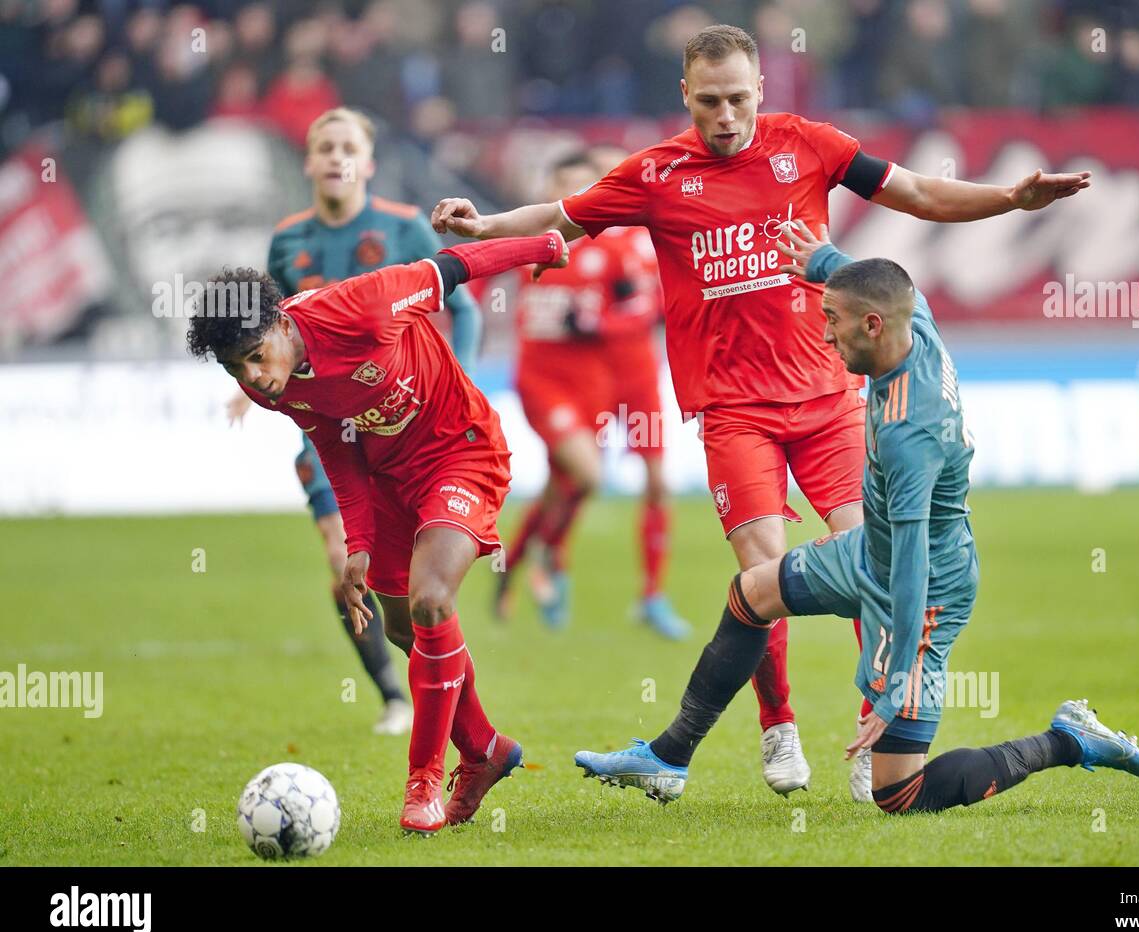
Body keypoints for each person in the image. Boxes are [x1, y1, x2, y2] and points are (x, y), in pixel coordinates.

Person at [432, 23, 1091, 800]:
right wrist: (482, 231)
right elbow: (563, 219)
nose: (726, 116)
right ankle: (778, 730)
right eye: (709, 101)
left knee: (873, 561)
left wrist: (1010, 199)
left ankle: (868, 731)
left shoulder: (808, 144)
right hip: (734, 410)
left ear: (761, 91)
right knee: (761, 576)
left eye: (739, 99)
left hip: (828, 399)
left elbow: (915, 193)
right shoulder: (656, 173)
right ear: (686, 94)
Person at [574, 237, 1139, 812]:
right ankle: (670, 755)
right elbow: (878, 280)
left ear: (873, 326)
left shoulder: (910, 433)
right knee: (752, 593)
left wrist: (897, 678)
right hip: (867, 551)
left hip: (924, 592)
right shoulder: (914, 321)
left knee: (899, 794)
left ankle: (1068, 739)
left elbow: (910, 567)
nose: (825, 335)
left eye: (832, 321)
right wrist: (822, 258)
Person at [187, 229, 569, 832]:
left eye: (257, 355)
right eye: (237, 368)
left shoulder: (361, 305)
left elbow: (454, 265)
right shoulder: (273, 391)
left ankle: (423, 785)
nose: (254, 377)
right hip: (390, 482)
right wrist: (357, 548)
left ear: (282, 323)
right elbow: (338, 452)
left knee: (431, 599)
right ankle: (486, 751)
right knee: (400, 625)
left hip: (460, 452)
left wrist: (544, 244)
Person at [228, 107, 484, 736]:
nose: (337, 157)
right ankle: (394, 695)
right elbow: (263, 326)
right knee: (341, 554)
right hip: (329, 429)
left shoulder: (402, 228)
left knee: (419, 589)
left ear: (368, 163)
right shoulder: (287, 241)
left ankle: (447, 698)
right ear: (309, 162)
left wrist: (464, 377)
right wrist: (247, 379)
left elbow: (466, 305)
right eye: (324, 147)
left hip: (406, 421)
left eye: (349, 147)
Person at [495, 150, 688, 640]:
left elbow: (649, 305)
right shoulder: (530, 242)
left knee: (639, 481)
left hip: (630, 375)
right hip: (565, 380)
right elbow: (479, 284)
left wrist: (594, 322)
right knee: (577, 478)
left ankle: (651, 595)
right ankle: (547, 564)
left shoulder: (627, 242)